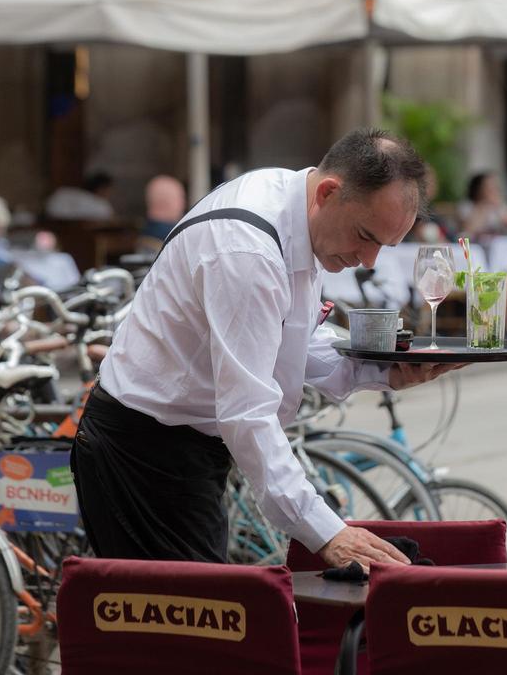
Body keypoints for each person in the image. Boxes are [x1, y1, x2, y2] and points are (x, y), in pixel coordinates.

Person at [73, 129, 462, 569]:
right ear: (329, 193)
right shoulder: (248, 252)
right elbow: (248, 412)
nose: (368, 260)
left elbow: (292, 338)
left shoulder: (294, 204)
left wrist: (385, 369)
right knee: (184, 629)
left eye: (383, 247)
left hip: (179, 447)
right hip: (141, 454)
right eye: (365, 236)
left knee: (200, 624)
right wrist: (326, 531)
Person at [136, 175, 187, 251]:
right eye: (180, 198)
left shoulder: (146, 232)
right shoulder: (177, 236)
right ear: (164, 202)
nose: (184, 203)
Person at [458, 172, 507, 240]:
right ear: (477, 189)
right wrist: (482, 207)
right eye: (488, 187)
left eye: (495, 186)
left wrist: (499, 209)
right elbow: (466, 230)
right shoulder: (467, 206)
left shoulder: (500, 204)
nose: (493, 190)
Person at [44, 171, 116, 221]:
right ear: (101, 189)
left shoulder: (62, 192)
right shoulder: (101, 206)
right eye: (109, 190)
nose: (110, 194)